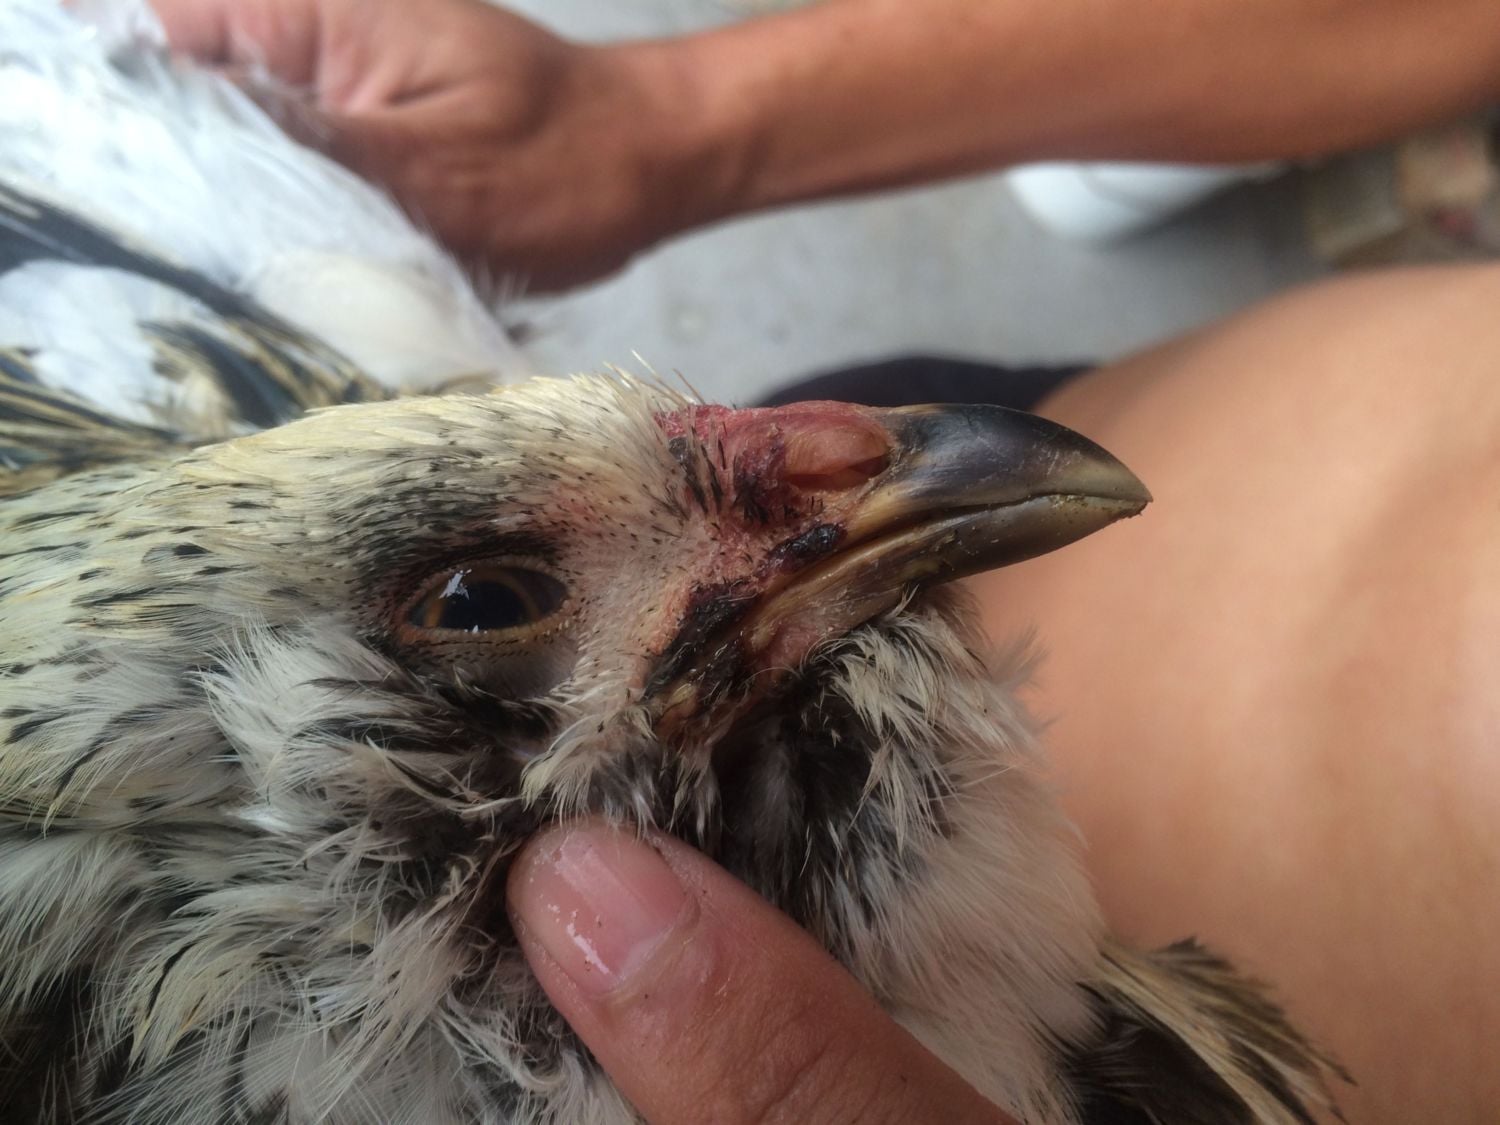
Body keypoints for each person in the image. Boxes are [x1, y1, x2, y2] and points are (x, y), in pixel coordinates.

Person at [151, 2, 1500, 1121]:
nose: (841, 446)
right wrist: (658, 125)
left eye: (491, 602)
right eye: (492, 602)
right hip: (1088, 473)